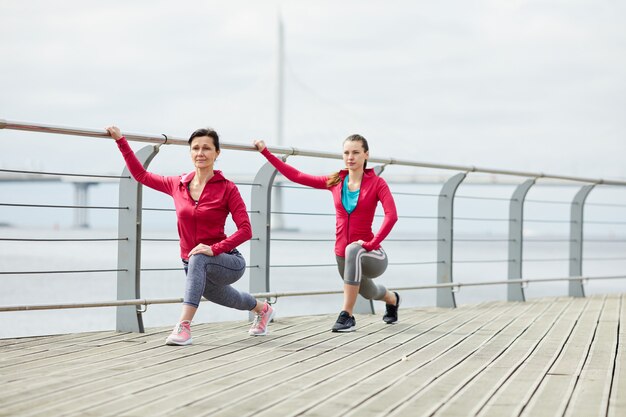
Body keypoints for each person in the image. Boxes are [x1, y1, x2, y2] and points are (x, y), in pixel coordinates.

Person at [106, 126, 275, 345]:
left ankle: (183, 327)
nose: (200, 153)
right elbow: (141, 175)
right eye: (195, 148)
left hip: (228, 261)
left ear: (217, 153)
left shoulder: (227, 189)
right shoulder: (177, 184)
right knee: (232, 299)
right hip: (192, 265)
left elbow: (246, 230)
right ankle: (263, 310)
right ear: (190, 153)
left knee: (199, 256)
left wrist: (214, 249)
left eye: (206, 148)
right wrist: (121, 141)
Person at [253, 134, 399, 332]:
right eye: (346, 152)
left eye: (356, 152)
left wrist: (371, 244)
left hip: (372, 253)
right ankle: (392, 299)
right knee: (369, 291)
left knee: (353, 250)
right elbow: (297, 176)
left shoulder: (377, 184)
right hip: (343, 255)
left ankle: (346, 316)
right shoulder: (335, 181)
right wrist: (265, 153)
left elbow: (391, 216)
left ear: (366, 155)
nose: (350, 157)